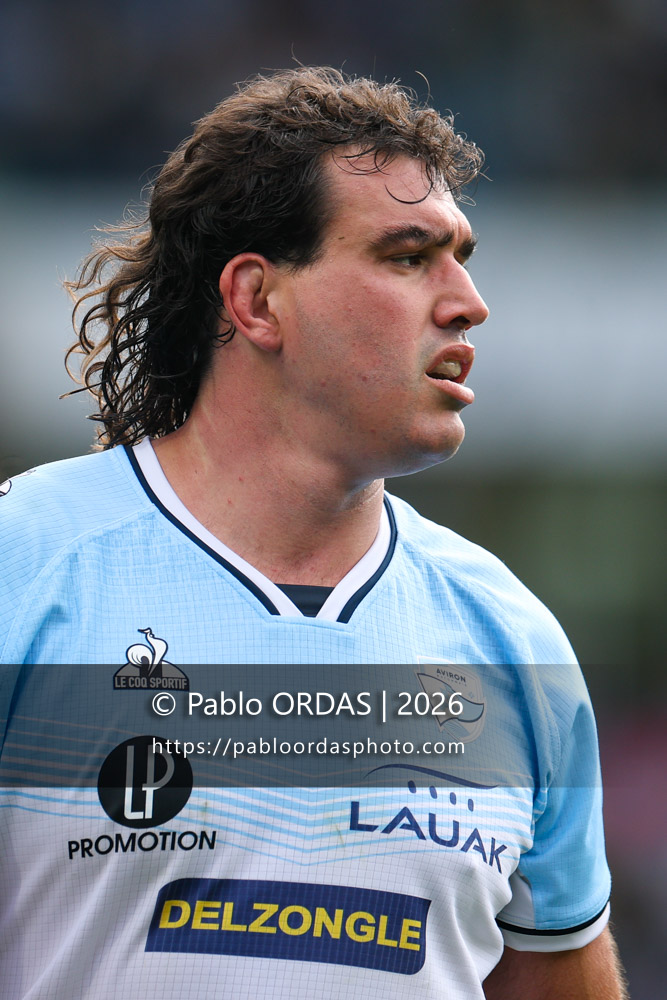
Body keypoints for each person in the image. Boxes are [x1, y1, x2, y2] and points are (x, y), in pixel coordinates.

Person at [0, 67, 626, 998]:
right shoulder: (28, 566)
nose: (465, 301)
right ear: (256, 301)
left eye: (461, 256)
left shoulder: (509, 638)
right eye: (407, 256)